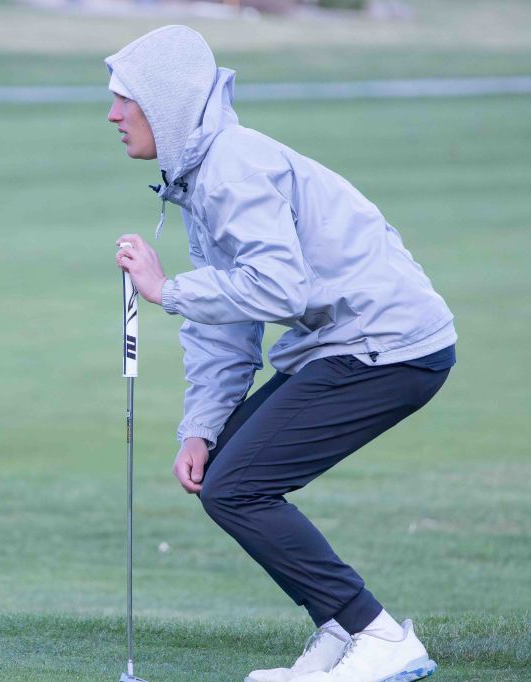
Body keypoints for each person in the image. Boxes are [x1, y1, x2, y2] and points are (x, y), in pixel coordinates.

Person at [106, 26, 455, 682]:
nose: (113, 114)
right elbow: (229, 324)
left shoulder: (229, 167)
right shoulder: (200, 175)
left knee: (239, 487)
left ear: (167, 104)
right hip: (349, 342)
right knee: (227, 475)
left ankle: (377, 635)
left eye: (126, 99)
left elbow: (278, 286)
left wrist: (165, 288)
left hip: (389, 343)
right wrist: (201, 428)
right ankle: (339, 629)